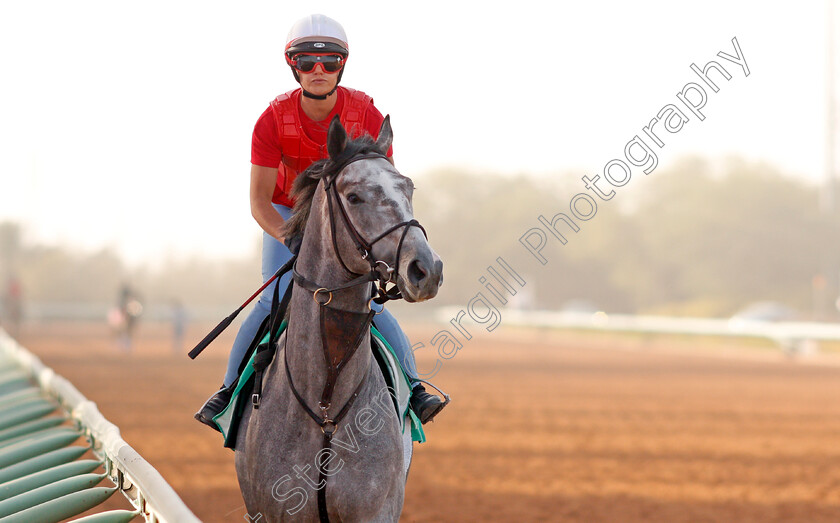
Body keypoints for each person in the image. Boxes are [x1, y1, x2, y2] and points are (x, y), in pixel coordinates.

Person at [195, 14, 447, 431]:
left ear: (341, 65)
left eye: (329, 62)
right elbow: (259, 201)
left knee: (366, 300)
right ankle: (226, 393)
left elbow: (384, 190)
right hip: (288, 218)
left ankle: (416, 389)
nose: (318, 71)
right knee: (273, 297)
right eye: (307, 62)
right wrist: (290, 237)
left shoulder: (365, 111)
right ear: (292, 65)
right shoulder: (271, 120)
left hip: (350, 220)